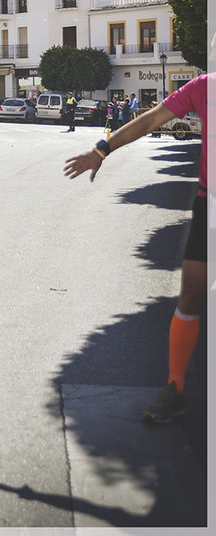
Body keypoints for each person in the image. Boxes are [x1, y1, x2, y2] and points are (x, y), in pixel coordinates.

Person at [63, 68, 214, 424]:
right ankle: (175, 389)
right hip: (210, 203)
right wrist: (102, 149)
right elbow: (150, 121)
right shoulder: (204, 87)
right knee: (191, 296)